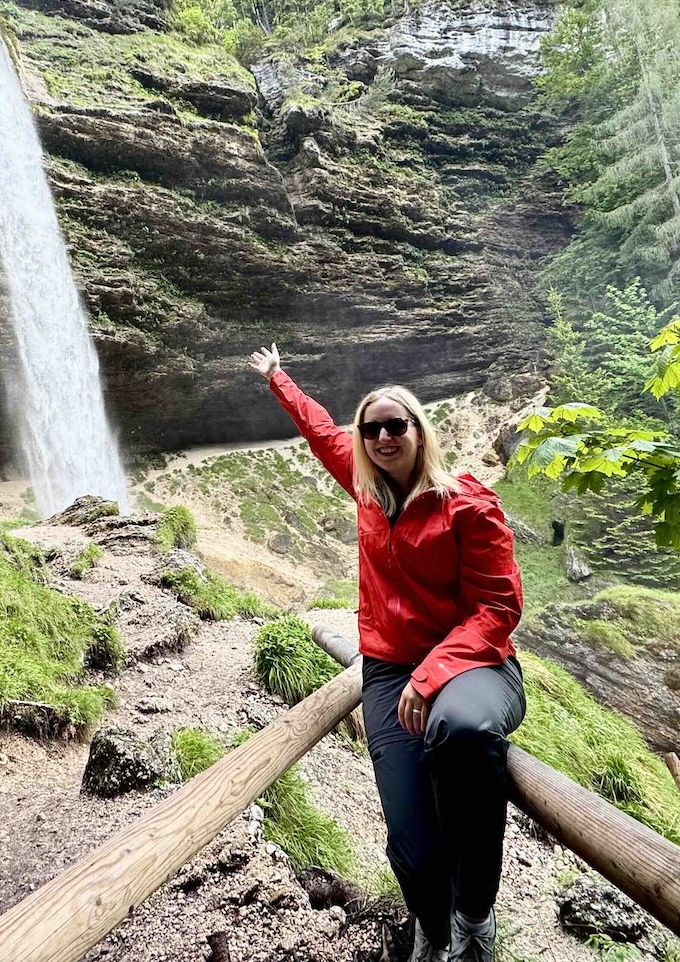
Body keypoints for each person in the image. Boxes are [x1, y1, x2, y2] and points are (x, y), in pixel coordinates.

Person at [247, 342, 525, 962]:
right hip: (387, 671)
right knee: (410, 840)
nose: (381, 437)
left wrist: (430, 676)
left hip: (474, 662)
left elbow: (499, 609)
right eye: (371, 429)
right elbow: (321, 433)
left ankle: (474, 921)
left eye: (395, 425)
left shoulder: (468, 505)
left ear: (419, 433)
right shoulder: (365, 486)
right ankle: (431, 924)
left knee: (466, 729)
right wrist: (277, 379)